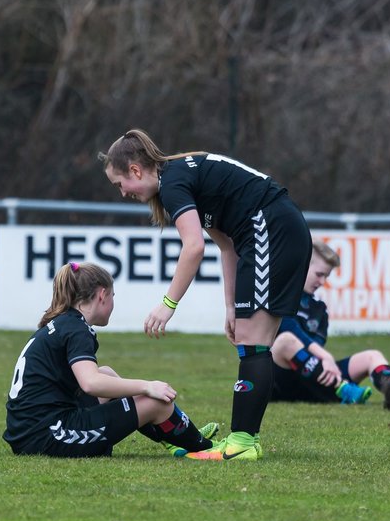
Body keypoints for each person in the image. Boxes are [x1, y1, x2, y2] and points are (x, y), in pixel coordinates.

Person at [100, 129, 312, 461]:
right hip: (273, 229)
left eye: (120, 184)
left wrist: (168, 304)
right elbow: (225, 244)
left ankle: (242, 443)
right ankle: (246, 440)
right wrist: (231, 306)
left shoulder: (172, 184)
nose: (123, 192)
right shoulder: (180, 175)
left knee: (254, 342)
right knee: (251, 340)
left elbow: (194, 247)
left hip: (271, 229)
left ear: (136, 171)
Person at [3, 261, 219, 458]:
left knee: (106, 373)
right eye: (113, 296)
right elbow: (90, 383)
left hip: (30, 431)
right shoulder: (77, 329)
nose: (113, 302)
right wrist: (147, 386)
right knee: (155, 401)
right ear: (102, 295)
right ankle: (205, 448)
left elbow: (96, 379)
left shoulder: (65, 322)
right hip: (47, 436)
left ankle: (174, 437)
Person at [271, 239, 390, 405]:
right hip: (281, 382)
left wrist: (325, 360)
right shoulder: (279, 295)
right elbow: (291, 329)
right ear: (302, 267)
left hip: (313, 378)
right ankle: (342, 389)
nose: (323, 282)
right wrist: (325, 356)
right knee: (286, 341)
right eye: (319, 274)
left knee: (372, 356)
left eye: (327, 276)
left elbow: (317, 347)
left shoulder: (319, 309)